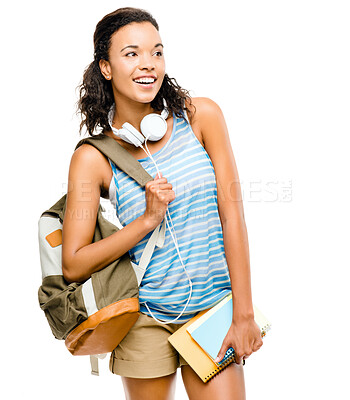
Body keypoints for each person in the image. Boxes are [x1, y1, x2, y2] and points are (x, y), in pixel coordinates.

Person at [62, 7, 263, 400]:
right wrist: (147, 219)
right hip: (144, 319)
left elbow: (232, 215)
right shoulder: (93, 158)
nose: (148, 65)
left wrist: (243, 313)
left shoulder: (201, 116)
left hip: (212, 311)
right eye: (131, 54)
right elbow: (73, 262)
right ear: (106, 67)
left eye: (157, 52)